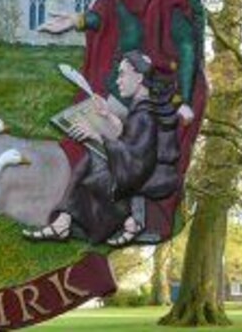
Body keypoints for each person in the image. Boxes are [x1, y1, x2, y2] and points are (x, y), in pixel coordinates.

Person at [35, 0, 207, 243]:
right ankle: (73, 221)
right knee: (94, 151)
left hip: (152, 88)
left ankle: (125, 221)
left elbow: (186, 44)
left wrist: (185, 100)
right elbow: (103, 15)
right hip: (123, 80)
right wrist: (76, 21)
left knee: (126, 156)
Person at [23, 51, 179, 245]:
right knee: (91, 158)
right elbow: (130, 138)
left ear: (139, 78)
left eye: (122, 74)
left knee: (94, 175)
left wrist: (97, 136)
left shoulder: (144, 115)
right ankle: (64, 222)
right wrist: (107, 115)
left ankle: (125, 221)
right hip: (138, 167)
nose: (118, 80)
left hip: (148, 174)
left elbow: (137, 160)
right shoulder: (143, 107)